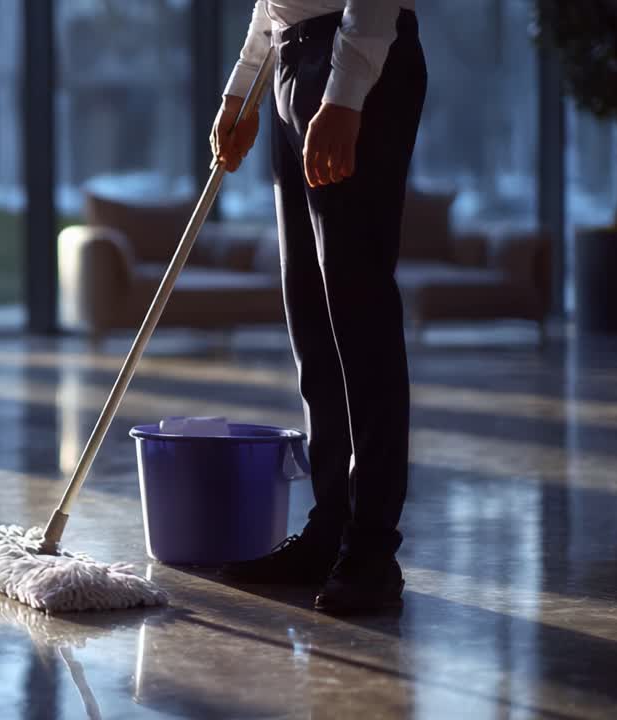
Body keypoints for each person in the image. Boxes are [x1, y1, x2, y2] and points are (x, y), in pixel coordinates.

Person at [212, 0, 426, 615]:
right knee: (312, 319)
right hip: (291, 57)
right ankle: (330, 527)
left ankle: (372, 550)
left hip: (355, 54)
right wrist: (243, 89)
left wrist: (347, 90)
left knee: (359, 318)